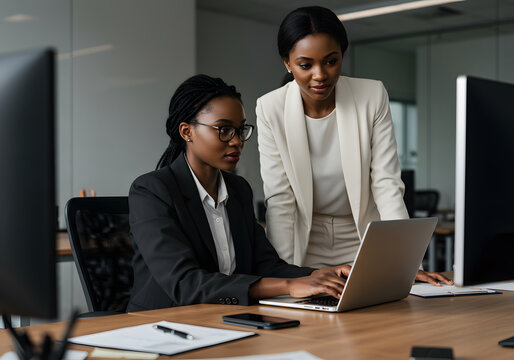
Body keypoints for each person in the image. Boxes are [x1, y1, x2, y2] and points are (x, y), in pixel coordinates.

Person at [256, 6, 451, 286]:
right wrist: (283, 275)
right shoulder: (270, 108)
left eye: (331, 61)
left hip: (363, 238)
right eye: (305, 64)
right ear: (287, 63)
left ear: (342, 56)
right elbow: (280, 199)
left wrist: (406, 263)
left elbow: (386, 185)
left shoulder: (371, 96)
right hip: (304, 242)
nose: (320, 75)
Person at [127, 74, 353, 312]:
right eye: (224, 129)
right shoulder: (151, 191)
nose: (236, 141)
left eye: (240, 129)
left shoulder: (238, 190)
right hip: (161, 324)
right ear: (187, 132)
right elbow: (186, 284)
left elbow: (265, 265)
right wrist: (289, 285)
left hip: (224, 319)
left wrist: (320, 275)